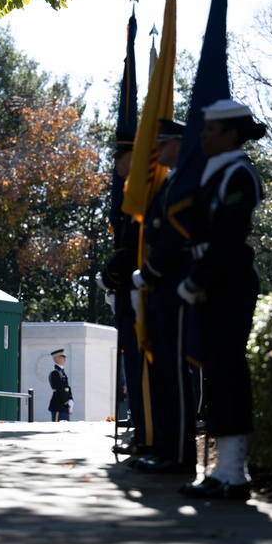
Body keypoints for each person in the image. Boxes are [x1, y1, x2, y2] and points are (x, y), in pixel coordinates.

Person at [171, 102, 265, 499]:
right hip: (213, 280)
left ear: (229, 133)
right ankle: (222, 470)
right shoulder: (217, 172)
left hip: (227, 281)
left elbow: (227, 237)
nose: (203, 136)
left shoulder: (239, 174)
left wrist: (199, 278)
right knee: (217, 376)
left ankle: (234, 472)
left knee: (228, 374)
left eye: (210, 130)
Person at [126, 118, 197, 475]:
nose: (158, 151)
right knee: (165, 374)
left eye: (165, 143)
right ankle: (169, 449)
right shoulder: (171, 182)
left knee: (175, 375)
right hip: (161, 289)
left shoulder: (186, 181)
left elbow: (174, 236)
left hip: (173, 285)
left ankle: (180, 454)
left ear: (180, 143)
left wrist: (150, 273)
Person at [99, 136, 148, 455]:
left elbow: (135, 247)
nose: (116, 163)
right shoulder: (132, 195)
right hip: (130, 290)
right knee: (134, 364)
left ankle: (150, 432)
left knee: (144, 365)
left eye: (122, 156)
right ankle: (143, 427)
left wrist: (110, 276)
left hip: (142, 290)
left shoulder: (143, 195)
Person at [47, 349, 74, 421]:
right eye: (62, 357)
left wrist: (71, 399)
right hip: (58, 404)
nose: (65, 359)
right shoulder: (55, 373)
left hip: (64, 405)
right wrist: (66, 401)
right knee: (58, 428)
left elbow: (67, 387)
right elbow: (59, 388)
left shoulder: (61, 372)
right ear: (57, 358)